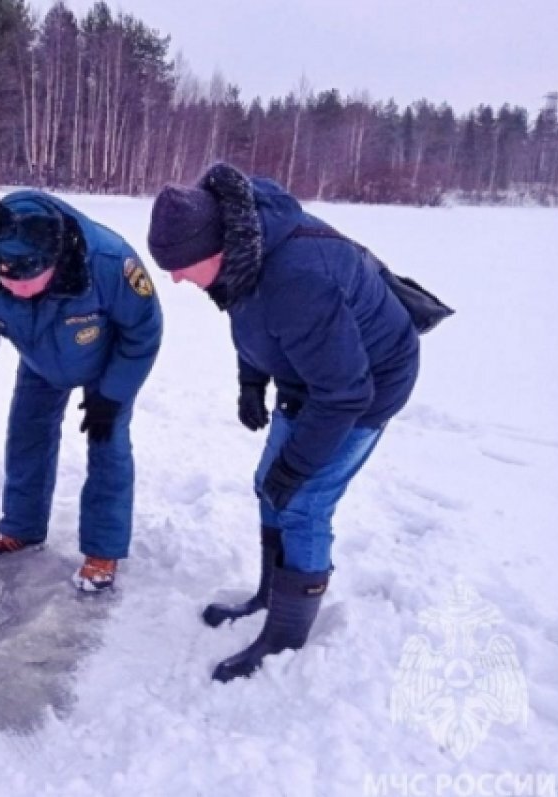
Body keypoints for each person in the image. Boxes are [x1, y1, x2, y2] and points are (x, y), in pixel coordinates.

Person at [147, 163, 420, 681]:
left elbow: (344, 393)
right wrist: (252, 380)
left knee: (302, 502)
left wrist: (297, 467)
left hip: (366, 387)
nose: (177, 278)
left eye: (181, 266)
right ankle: (270, 597)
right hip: (314, 377)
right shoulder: (244, 250)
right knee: (268, 486)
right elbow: (250, 317)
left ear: (215, 249)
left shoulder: (297, 277)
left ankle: (286, 636)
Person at [0, 191, 162, 592]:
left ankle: (103, 549)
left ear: (55, 260)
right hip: (40, 358)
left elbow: (143, 332)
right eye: (7, 279)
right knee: (27, 434)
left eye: (27, 280)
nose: (15, 289)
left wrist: (111, 395)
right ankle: (22, 528)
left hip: (108, 361)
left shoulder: (109, 263)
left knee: (107, 445)